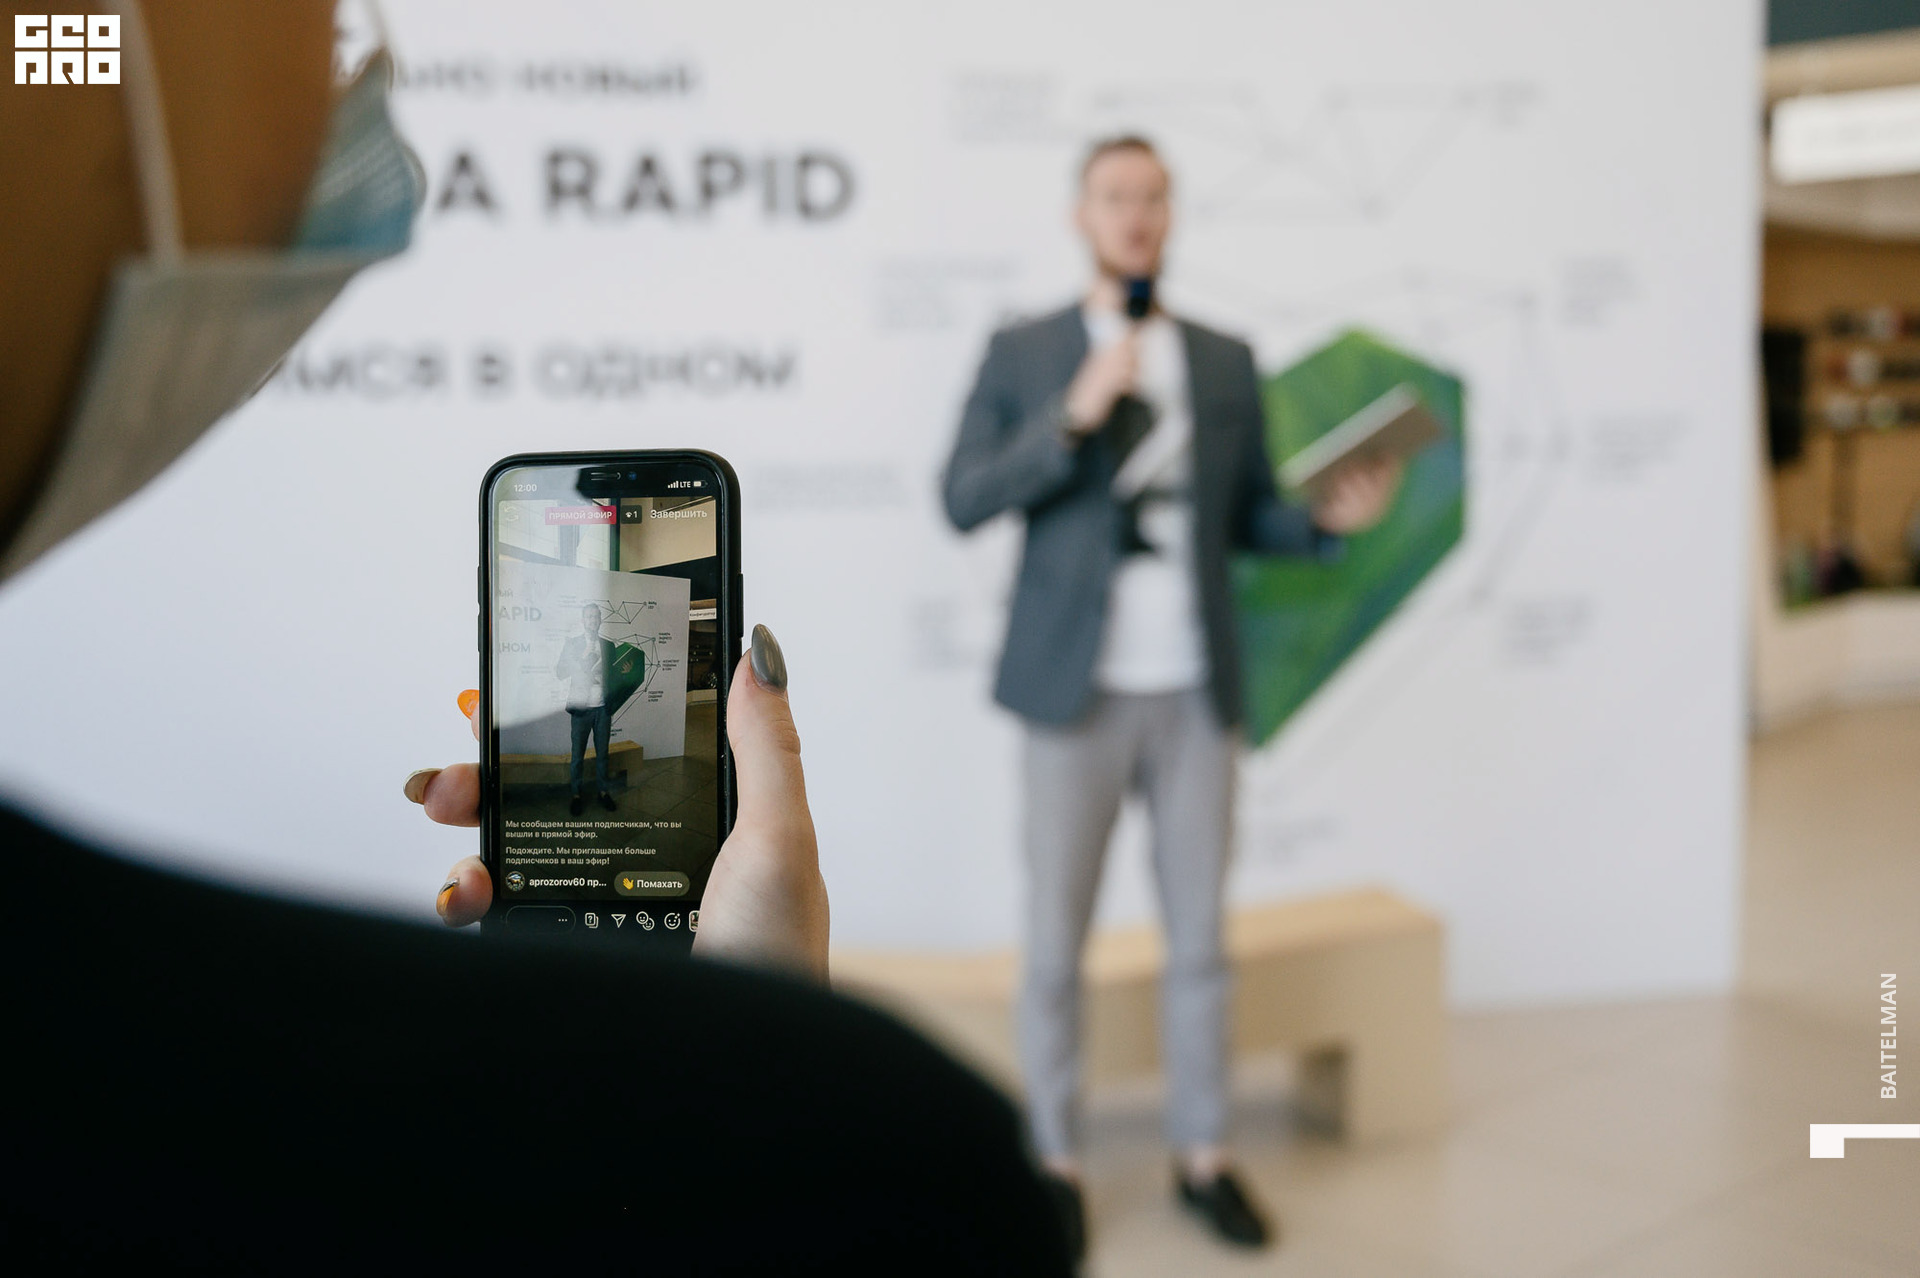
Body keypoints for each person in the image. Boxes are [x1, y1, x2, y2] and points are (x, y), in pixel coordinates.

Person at [0, 5, 1068, 1269]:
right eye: (318, 19)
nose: (343, 79)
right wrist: (745, 1058)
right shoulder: (850, 1169)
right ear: (65, 61)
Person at [942, 134, 1402, 1256]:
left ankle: (1206, 1155)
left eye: (1152, 196)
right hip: (1071, 692)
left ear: (1172, 212)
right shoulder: (1025, 348)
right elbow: (963, 498)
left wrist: (1325, 522)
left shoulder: (1223, 357)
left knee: (1201, 940)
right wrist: (1072, 415)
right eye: (1115, 196)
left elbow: (1247, 514)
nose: (1135, 214)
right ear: (1081, 215)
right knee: (1056, 945)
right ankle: (1054, 1158)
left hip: (1197, 689)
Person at [558, 602, 621, 813]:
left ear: (600, 620)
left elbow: (615, 676)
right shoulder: (573, 644)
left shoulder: (608, 646)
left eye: (596, 616)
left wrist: (623, 672)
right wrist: (583, 656)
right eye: (589, 617)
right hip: (581, 710)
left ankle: (603, 792)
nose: (593, 620)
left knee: (603, 754)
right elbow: (560, 672)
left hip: (603, 709)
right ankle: (576, 795)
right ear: (583, 620)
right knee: (577, 756)